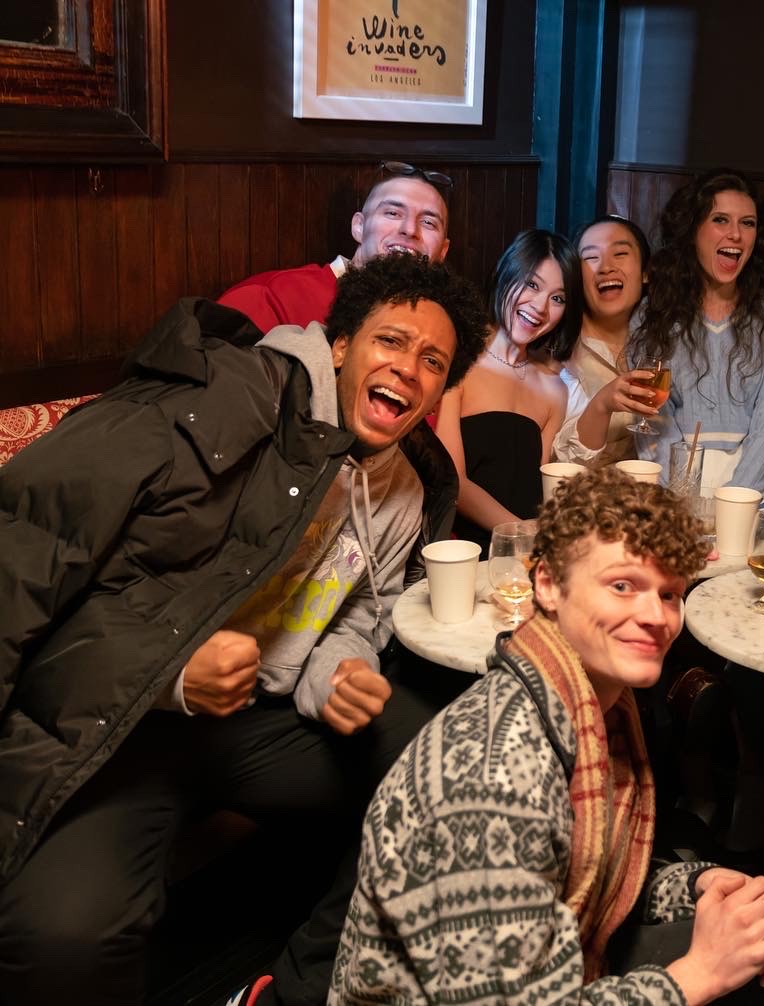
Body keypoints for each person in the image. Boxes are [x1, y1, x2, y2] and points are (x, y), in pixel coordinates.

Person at [0, 254, 488, 1006]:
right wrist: (174, 673)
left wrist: (338, 673)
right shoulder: (221, 397)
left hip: (255, 723)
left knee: (445, 756)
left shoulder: (404, 488)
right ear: (337, 344)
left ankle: (298, 988)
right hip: (122, 718)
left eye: (434, 361)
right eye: (390, 341)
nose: (410, 370)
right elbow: (37, 552)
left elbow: (359, 612)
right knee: (65, 936)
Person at [330, 467, 764, 1005]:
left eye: (668, 594)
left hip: (560, 963)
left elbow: (589, 883)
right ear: (547, 584)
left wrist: (700, 888)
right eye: (623, 585)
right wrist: (697, 975)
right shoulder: (495, 776)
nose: (655, 617)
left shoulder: (600, 712)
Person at [629, 168, 764, 492]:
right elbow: (654, 425)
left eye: (747, 223)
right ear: (693, 229)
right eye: (720, 220)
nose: (736, 234)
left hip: (754, 492)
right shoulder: (652, 317)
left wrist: (735, 503)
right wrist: (681, 502)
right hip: (671, 487)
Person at [435, 228, 581, 549]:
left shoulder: (554, 389)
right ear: (506, 273)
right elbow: (452, 481)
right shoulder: (459, 361)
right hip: (462, 549)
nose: (540, 307)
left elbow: (538, 490)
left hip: (525, 553)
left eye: (557, 299)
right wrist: (519, 531)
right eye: (532, 285)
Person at [218, 160, 453, 333]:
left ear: (443, 251)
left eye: (428, 222)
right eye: (392, 212)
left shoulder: (446, 327)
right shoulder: (271, 296)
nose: (410, 230)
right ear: (358, 227)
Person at [553, 214, 664, 468]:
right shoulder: (558, 350)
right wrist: (601, 405)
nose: (606, 267)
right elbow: (558, 463)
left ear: (646, 272)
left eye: (620, 254)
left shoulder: (664, 343)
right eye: (591, 257)